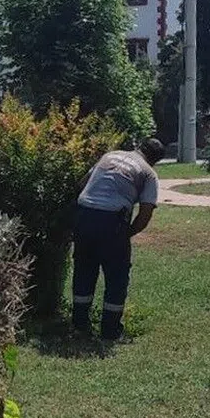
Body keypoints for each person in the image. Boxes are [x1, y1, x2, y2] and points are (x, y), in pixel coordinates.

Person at [72, 138, 164, 341]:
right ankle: (110, 331)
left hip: (84, 215)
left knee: (84, 270)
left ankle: (79, 325)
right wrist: (125, 234)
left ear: (138, 147)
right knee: (116, 277)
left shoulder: (109, 156)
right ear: (155, 160)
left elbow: (81, 184)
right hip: (112, 220)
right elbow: (146, 213)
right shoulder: (148, 173)